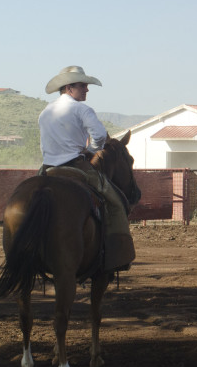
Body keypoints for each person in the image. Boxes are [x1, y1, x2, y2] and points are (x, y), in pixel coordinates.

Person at [38, 65, 136, 270]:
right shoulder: (81, 109)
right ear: (68, 88)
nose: (87, 90)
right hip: (76, 165)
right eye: (82, 85)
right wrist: (91, 150)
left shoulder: (45, 112)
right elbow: (100, 135)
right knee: (117, 202)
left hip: (47, 167)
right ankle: (117, 257)